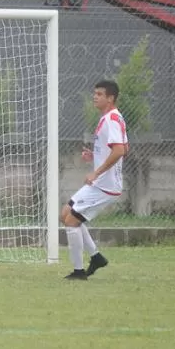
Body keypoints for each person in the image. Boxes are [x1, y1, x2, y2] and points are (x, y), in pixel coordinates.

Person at [62, 80, 127, 280]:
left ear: (110, 98)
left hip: (105, 186)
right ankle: (96, 257)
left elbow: (120, 150)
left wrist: (96, 171)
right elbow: (122, 148)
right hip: (101, 183)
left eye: (99, 94)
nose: (95, 96)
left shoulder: (111, 119)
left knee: (71, 221)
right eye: (95, 93)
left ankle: (79, 271)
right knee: (65, 214)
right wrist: (96, 154)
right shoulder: (110, 118)